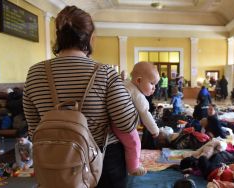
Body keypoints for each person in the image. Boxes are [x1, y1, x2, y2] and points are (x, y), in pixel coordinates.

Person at [23, 6, 139, 188]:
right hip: (102, 162)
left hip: (55, 161)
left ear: (58, 35)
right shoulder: (105, 73)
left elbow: (33, 130)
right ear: (91, 37)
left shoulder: (35, 73)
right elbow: (126, 123)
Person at [111, 62, 160, 176]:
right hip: (123, 125)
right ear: (138, 81)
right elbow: (145, 114)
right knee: (135, 143)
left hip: (113, 122)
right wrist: (155, 130)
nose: (154, 88)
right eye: (152, 83)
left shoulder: (126, 84)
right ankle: (133, 168)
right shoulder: (138, 95)